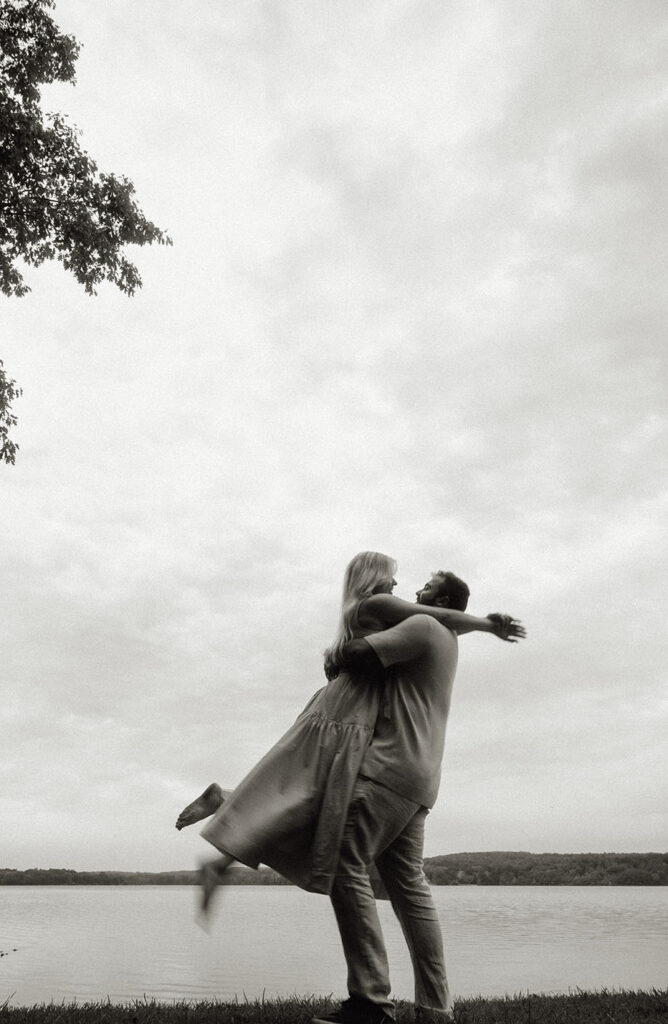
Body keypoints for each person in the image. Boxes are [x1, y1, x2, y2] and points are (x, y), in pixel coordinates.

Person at [176, 554, 523, 931]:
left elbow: (431, 625)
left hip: (347, 707)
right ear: (374, 577)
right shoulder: (377, 604)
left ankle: (225, 816)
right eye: (393, 577)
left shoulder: (373, 612)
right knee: (305, 795)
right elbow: (441, 618)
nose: (399, 585)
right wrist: (488, 624)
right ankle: (225, 812)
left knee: (305, 798)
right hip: (347, 713)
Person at [312, 569, 522, 1024]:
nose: (415, 592)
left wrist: (342, 645)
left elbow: (358, 654)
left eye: (426, 587)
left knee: (345, 865)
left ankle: (369, 1002)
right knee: (409, 889)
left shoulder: (424, 626)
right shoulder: (449, 641)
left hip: (389, 768)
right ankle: (435, 1009)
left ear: (441, 599)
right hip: (421, 778)